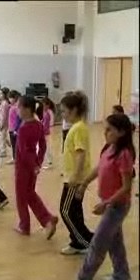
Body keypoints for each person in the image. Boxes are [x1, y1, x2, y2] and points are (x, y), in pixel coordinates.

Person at [77, 114, 135, 280]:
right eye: (105, 129)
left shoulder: (124, 154)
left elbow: (126, 187)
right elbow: (99, 167)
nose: (105, 133)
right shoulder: (109, 148)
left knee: (98, 244)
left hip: (117, 206)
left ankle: (83, 277)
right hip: (108, 203)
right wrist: (85, 182)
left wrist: (107, 203)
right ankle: (122, 275)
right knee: (115, 243)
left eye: (109, 130)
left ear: (122, 132)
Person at [15, 95, 58, 238]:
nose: (17, 109)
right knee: (30, 193)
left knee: (22, 196)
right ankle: (47, 219)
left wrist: (33, 165)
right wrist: (38, 163)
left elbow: (23, 151)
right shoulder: (38, 124)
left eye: (19, 107)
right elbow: (43, 146)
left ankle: (25, 226)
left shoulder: (23, 129)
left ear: (27, 109)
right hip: (33, 165)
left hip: (23, 166)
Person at [60, 91, 93, 255]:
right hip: (74, 177)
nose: (63, 115)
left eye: (64, 111)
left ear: (73, 110)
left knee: (66, 211)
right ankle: (85, 239)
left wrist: (75, 177)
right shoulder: (78, 127)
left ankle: (82, 242)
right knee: (74, 211)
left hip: (74, 179)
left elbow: (81, 154)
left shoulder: (79, 129)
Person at [7, 90, 21, 165]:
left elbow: (19, 118)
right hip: (11, 128)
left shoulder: (17, 107)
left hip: (15, 129)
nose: (9, 99)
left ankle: (17, 158)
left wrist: (16, 129)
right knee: (13, 145)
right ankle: (14, 158)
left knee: (16, 145)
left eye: (10, 98)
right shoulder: (12, 106)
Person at [41, 97, 55, 169]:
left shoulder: (48, 113)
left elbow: (48, 124)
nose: (42, 107)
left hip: (46, 132)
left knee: (46, 147)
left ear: (47, 105)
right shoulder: (44, 112)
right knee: (44, 147)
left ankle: (49, 161)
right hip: (44, 132)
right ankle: (48, 160)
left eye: (43, 105)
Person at [0, 87, 10, 158]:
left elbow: (4, 116)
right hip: (1, 123)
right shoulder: (3, 103)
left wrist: (1, 125)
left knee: (2, 137)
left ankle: (3, 152)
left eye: (1, 94)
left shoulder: (5, 104)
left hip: (3, 124)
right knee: (3, 137)